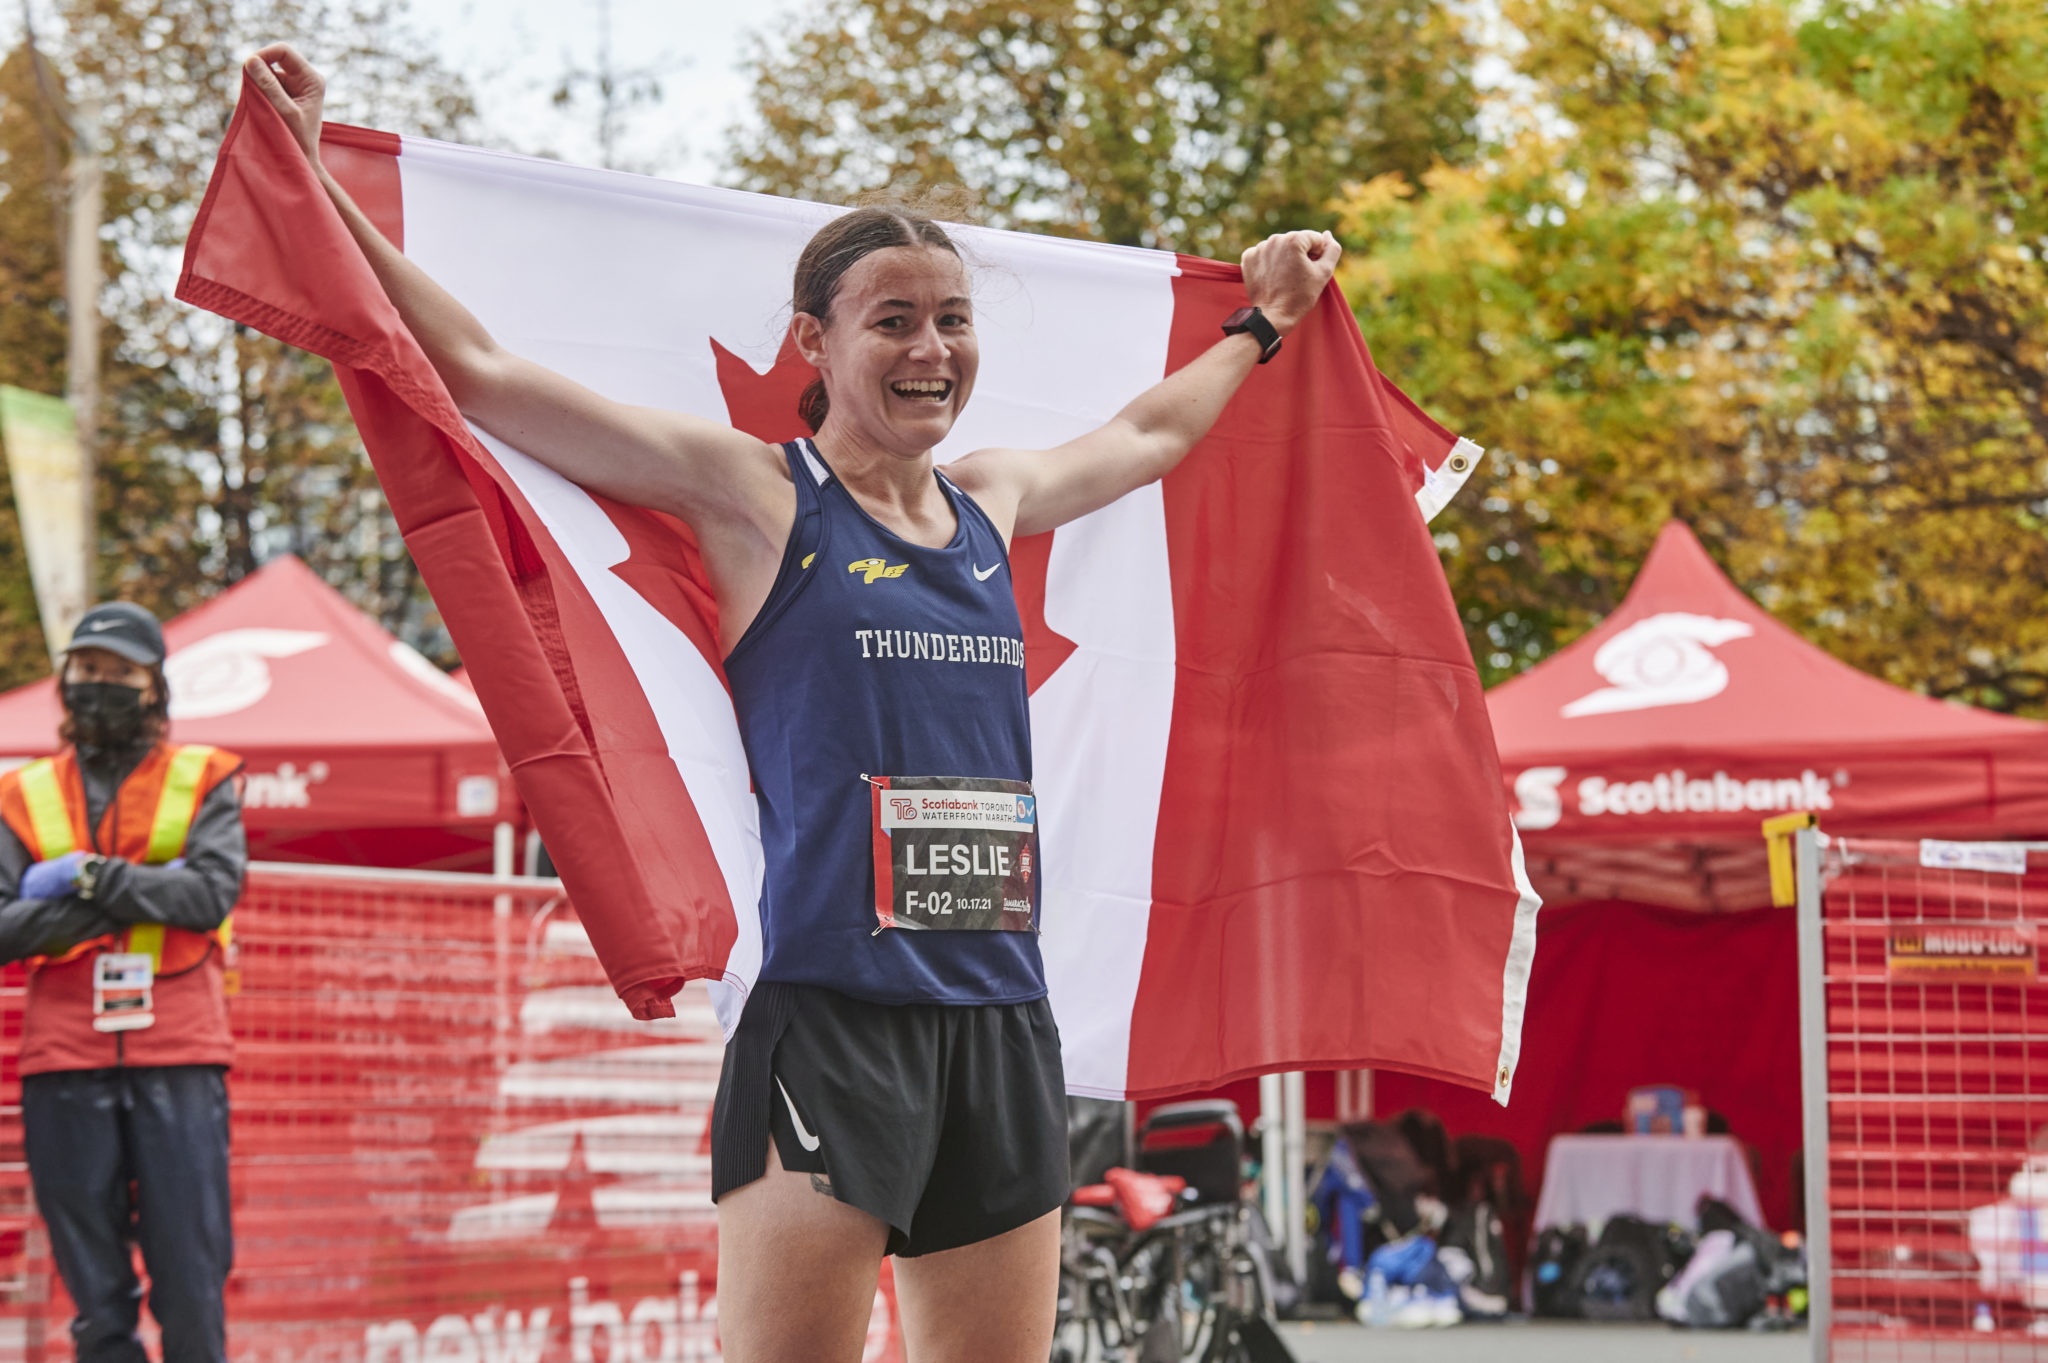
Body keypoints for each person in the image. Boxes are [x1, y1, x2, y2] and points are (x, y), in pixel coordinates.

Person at [245, 43, 1339, 1361]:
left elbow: (1152, 436)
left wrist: (1263, 324)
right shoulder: (759, 497)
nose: (932, 347)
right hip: (831, 1019)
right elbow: (479, 369)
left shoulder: (991, 500)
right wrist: (311, 179)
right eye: (894, 319)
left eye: (952, 318)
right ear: (816, 341)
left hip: (999, 1019)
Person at [0, 603, 247, 1363]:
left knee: (191, 1281)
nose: (98, 686)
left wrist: (86, 879)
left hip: (178, 1051)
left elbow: (209, 895)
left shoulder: (202, 777)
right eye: (87, 670)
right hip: (64, 1057)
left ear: (153, 688)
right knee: (95, 1299)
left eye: (118, 673)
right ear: (67, 680)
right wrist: (136, 891)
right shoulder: (19, 794)